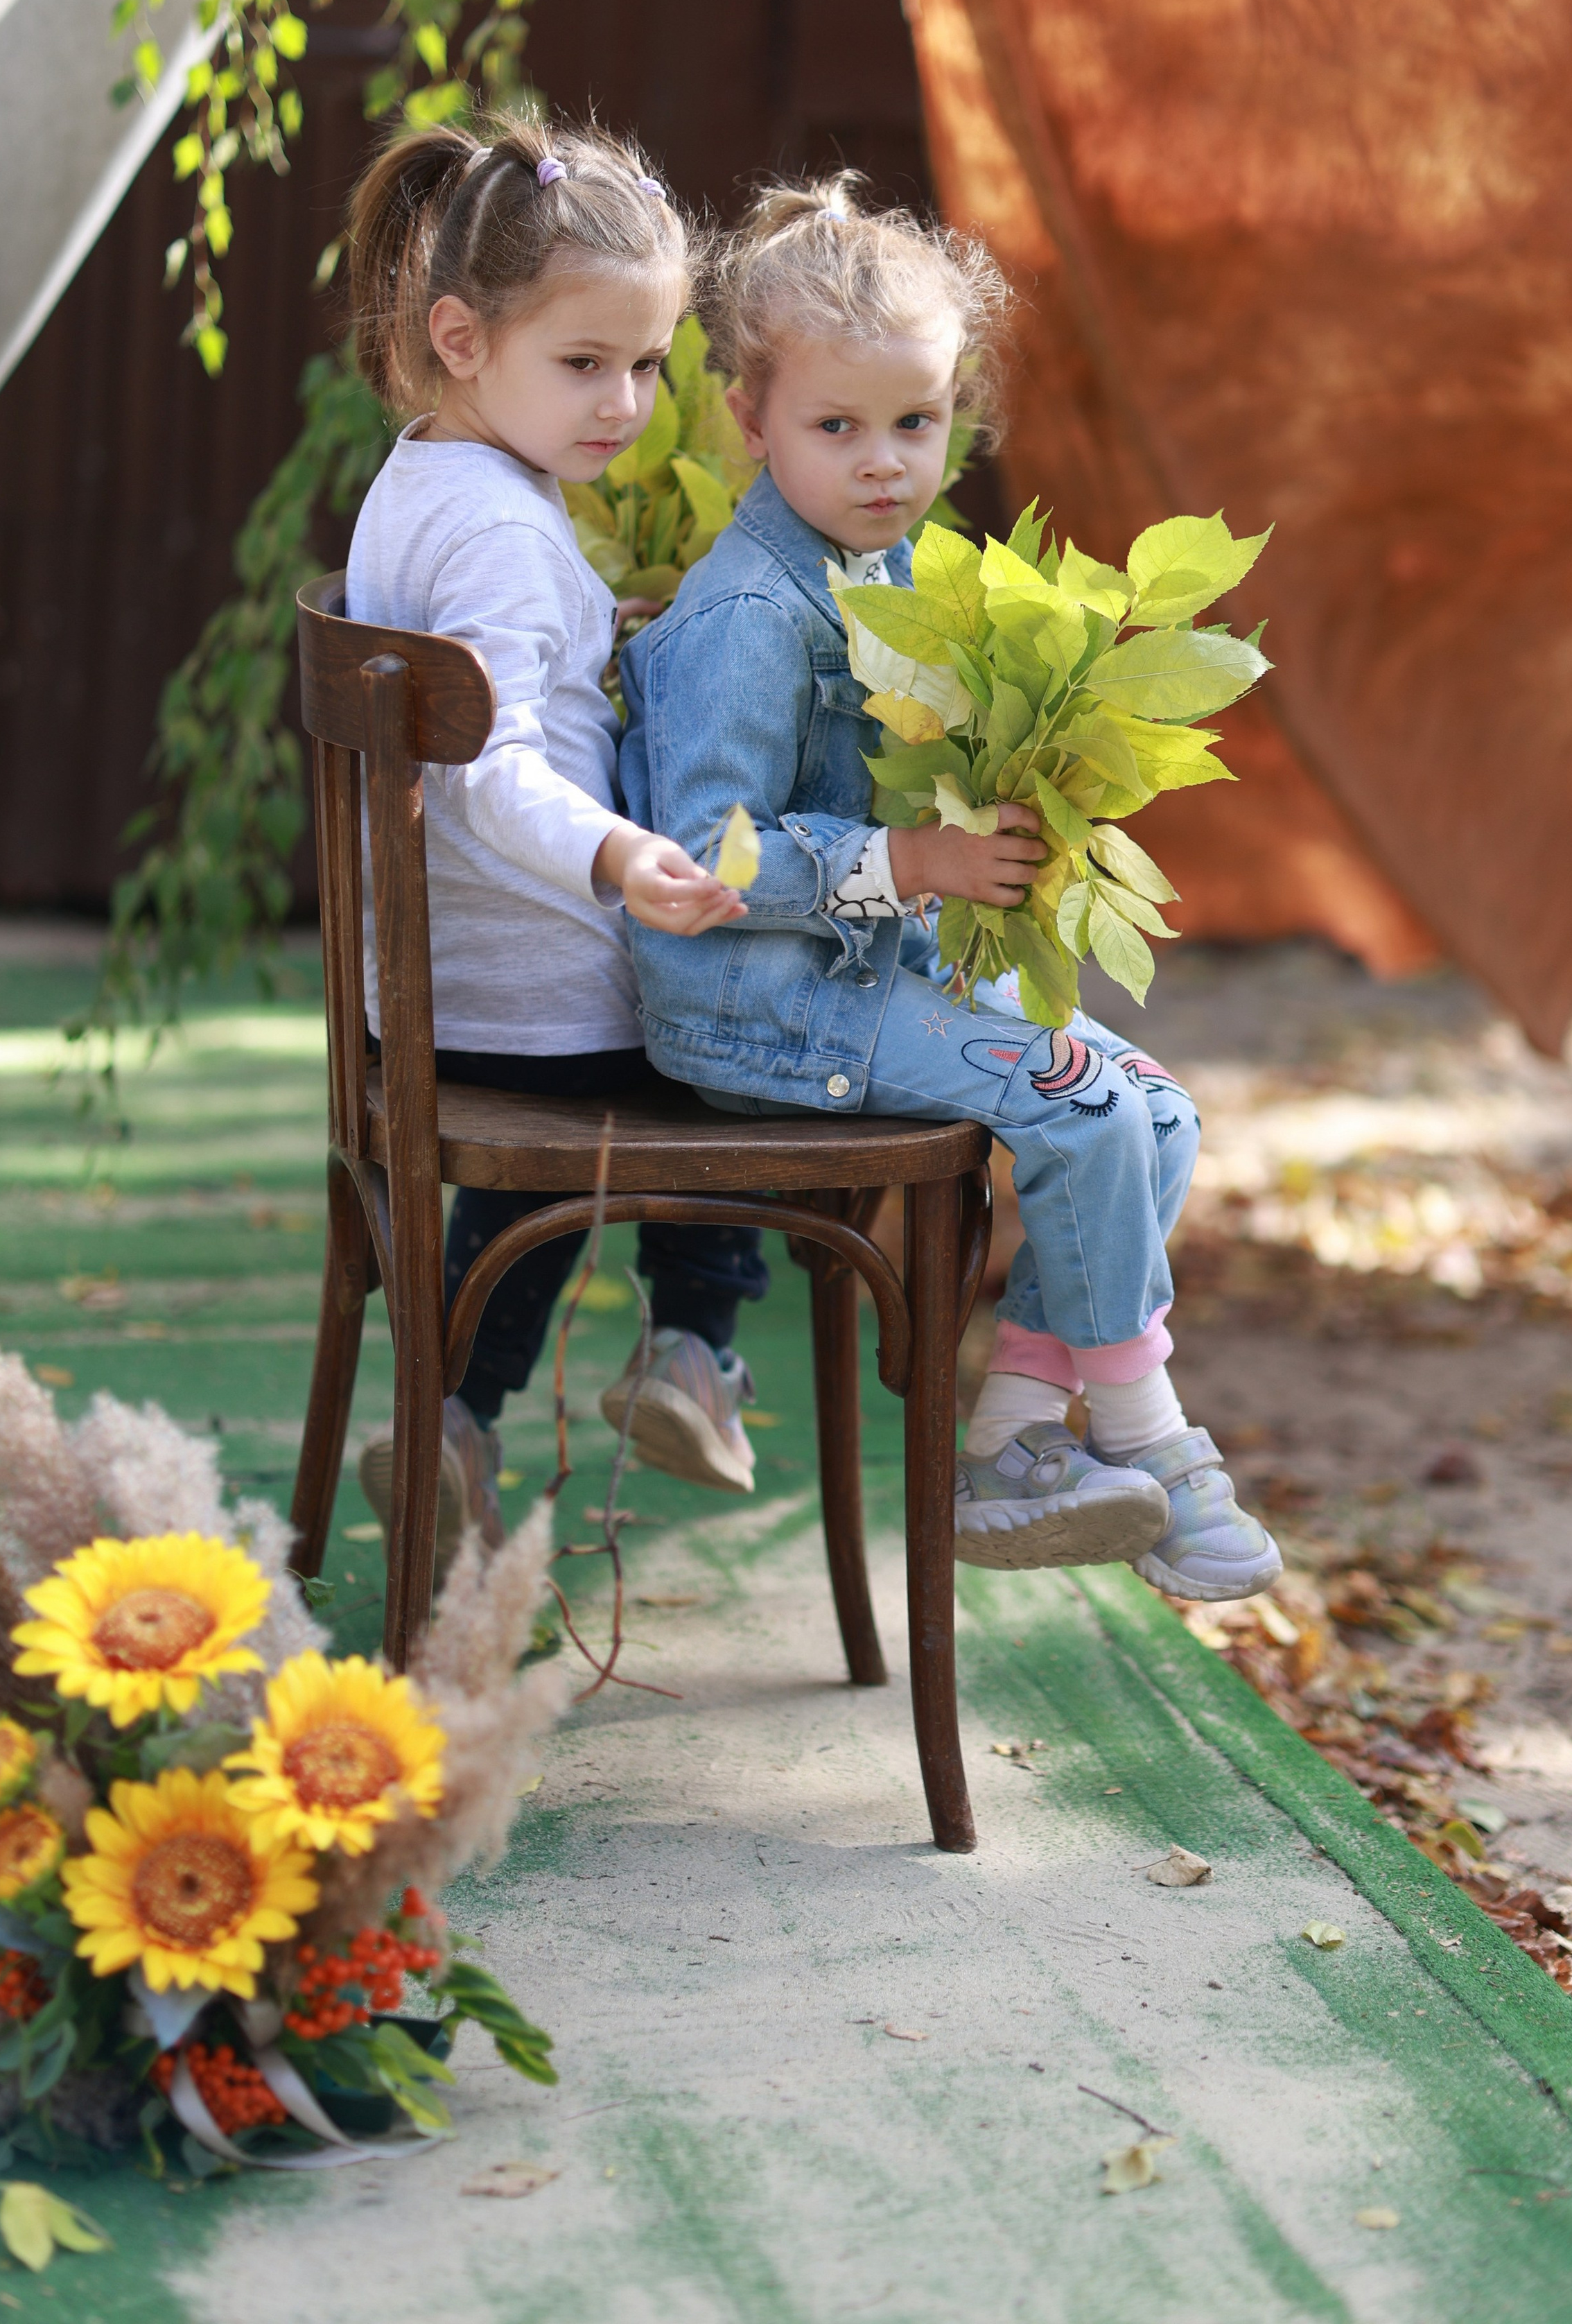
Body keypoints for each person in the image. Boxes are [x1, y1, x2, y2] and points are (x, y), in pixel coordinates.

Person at [618, 175, 1282, 1597]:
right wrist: (910, 864)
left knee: (1156, 1113)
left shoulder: (903, 572)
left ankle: (1020, 1438)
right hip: (755, 1002)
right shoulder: (748, 611)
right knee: (1081, 1102)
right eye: (835, 428)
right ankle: (1150, 1441)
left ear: (957, 414)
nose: (881, 464)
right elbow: (702, 852)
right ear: (750, 420)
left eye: (912, 425)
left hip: (867, 977)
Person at [342, 112, 769, 1581]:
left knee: (542, 1172)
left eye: (647, 364)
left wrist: (608, 637)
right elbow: (492, 769)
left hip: (447, 990)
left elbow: (497, 683)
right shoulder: (511, 537)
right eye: (582, 364)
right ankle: (697, 1348)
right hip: (545, 993)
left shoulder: (425, 480)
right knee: (765, 1047)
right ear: (460, 336)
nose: (624, 404)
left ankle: (454, 1411)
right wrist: (613, 857)